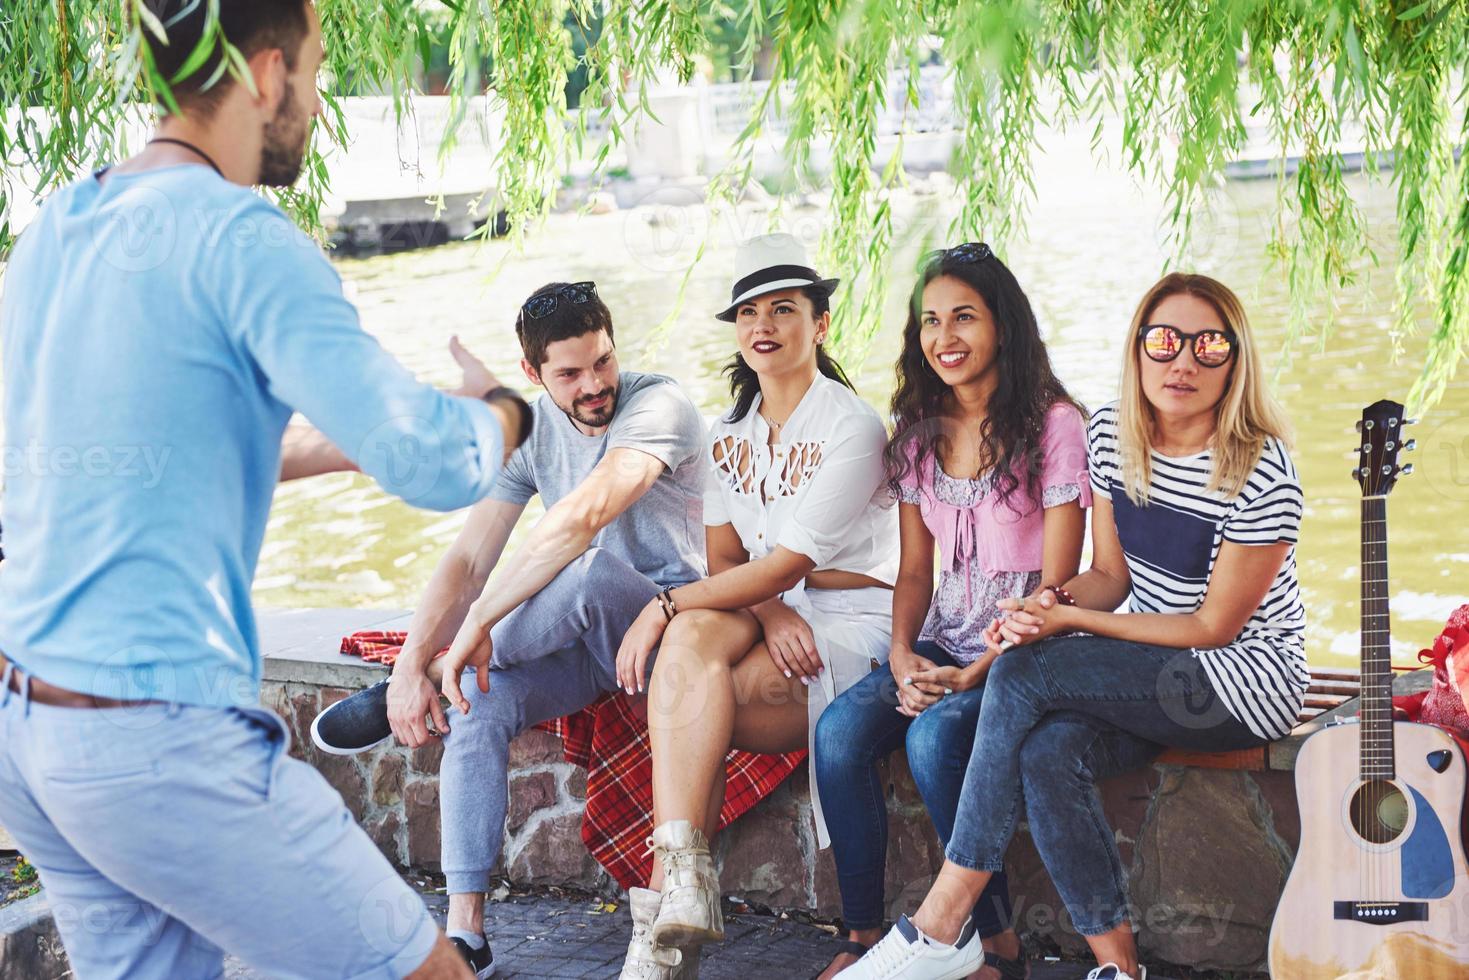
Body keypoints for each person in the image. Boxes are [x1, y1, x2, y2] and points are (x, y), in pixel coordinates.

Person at [0, 2, 530, 978]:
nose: (320, 106)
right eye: (320, 72)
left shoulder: (56, 230)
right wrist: (502, 411)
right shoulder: (242, 235)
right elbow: (428, 458)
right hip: (152, 738)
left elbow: (109, 447)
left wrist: (328, 450)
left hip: (33, 732)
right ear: (267, 72)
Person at [848, 272, 1307, 980]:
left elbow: (1215, 626)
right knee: (1046, 752)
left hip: (1242, 681)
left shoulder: (1259, 469)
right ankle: (1118, 968)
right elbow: (1113, 580)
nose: (1182, 361)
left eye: (1208, 345)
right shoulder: (1111, 438)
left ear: (1234, 360)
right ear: (1138, 350)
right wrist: (1047, 606)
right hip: (1161, 672)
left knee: (1033, 670)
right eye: (1164, 341)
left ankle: (941, 919)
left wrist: (1067, 625)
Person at [311, 280, 709, 978]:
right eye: (571, 373)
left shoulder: (658, 404)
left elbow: (586, 515)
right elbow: (467, 558)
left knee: (586, 571)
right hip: (594, 650)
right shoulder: (531, 431)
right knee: (477, 702)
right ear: (532, 374)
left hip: (668, 628)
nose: (594, 384)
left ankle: (442, 669)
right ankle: (466, 932)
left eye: (603, 362)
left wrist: (478, 628)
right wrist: (412, 662)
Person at [610, 233, 899, 975]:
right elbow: (729, 563)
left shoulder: (850, 427)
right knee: (691, 648)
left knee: (692, 701)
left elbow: (786, 563)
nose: (762, 325)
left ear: (821, 323)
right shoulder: (728, 432)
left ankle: (661, 928)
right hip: (778, 609)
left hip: (852, 622)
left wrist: (661, 604)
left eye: (783, 309)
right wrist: (766, 610)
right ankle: (680, 891)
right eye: (748, 313)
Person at [812, 243, 1088, 979]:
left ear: (1002, 323)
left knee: (934, 742)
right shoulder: (916, 431)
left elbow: (1056, 587)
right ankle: (862, 932)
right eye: (930, 321)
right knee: (838, 731)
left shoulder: (1054, 426)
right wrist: (903, 654)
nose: (945, 337)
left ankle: (995, 944)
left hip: (1024, 652)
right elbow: (912, 570)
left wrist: (975, 672)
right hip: (942, 637)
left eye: (963, 316)